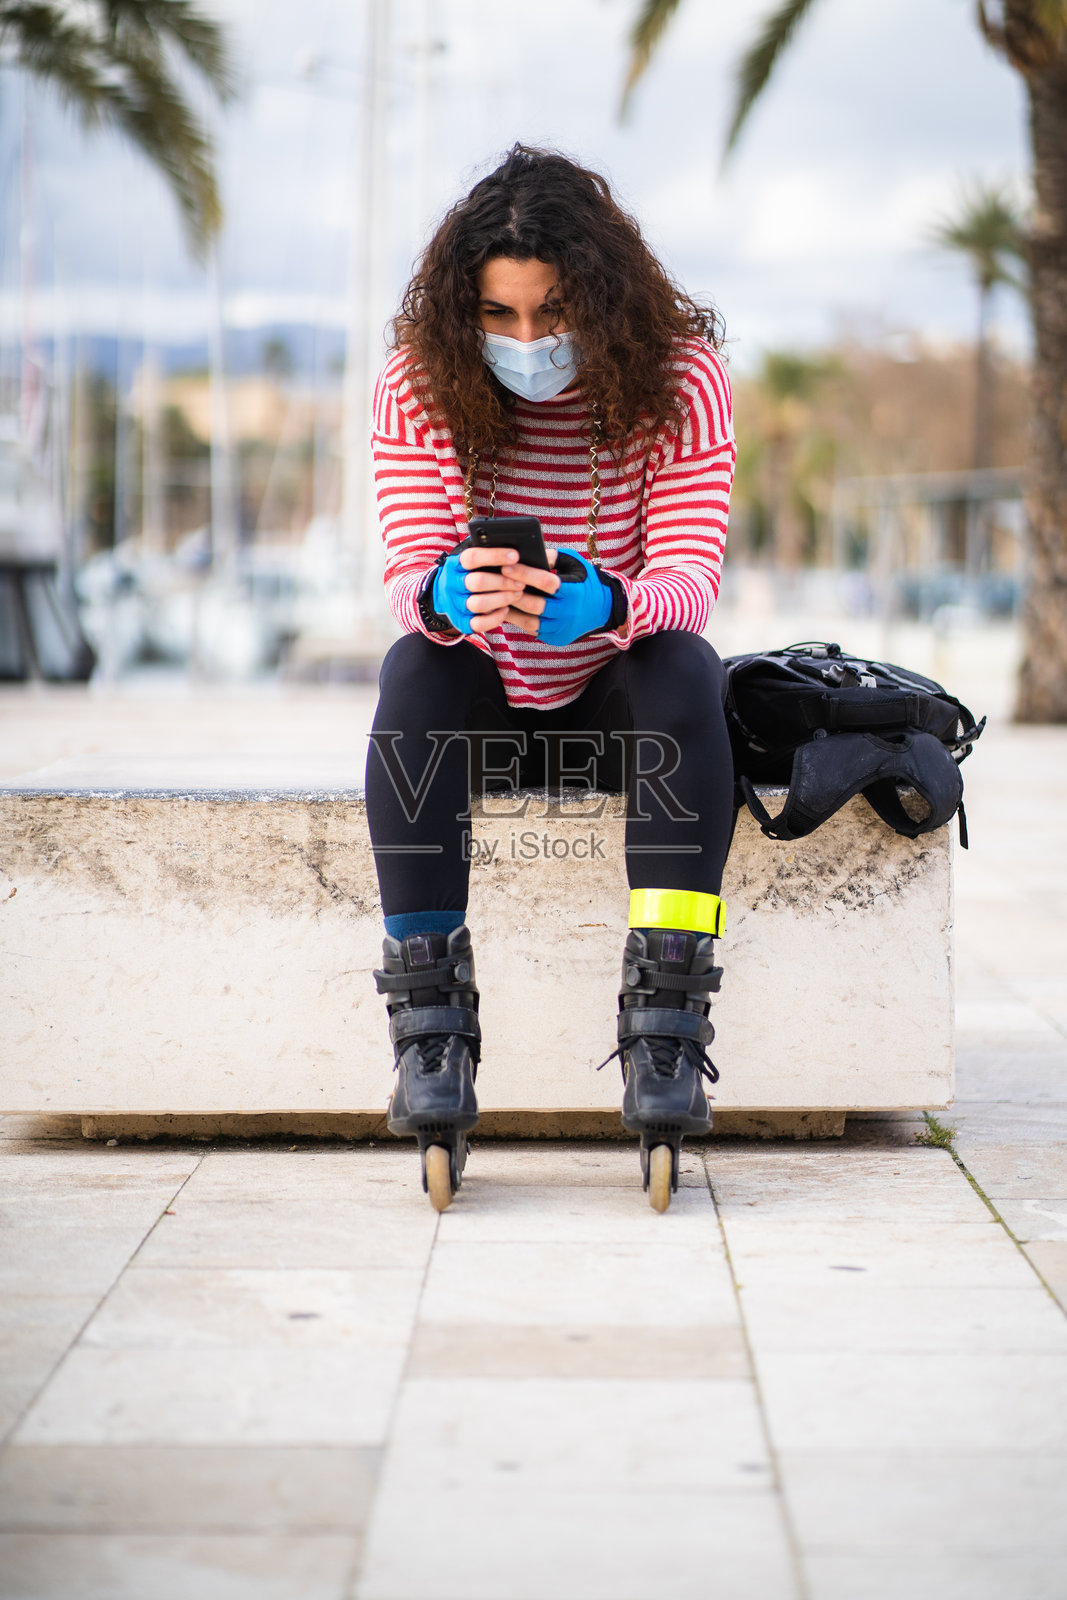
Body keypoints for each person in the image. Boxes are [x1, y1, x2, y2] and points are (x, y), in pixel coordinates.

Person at [366, 145, 736, 1212]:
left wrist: (610, 605)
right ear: (462, 309)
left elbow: (688, 579)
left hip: (616, 704)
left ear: (601, 297)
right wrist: (445, 596)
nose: (527, 341)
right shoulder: (415, 383)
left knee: (685, 665)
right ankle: (431, 1038)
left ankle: (665, 1030)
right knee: (412, 667)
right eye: (498, 314)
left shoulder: (684, 381)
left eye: (553, 310)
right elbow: (406, 576)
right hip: (480, 699)